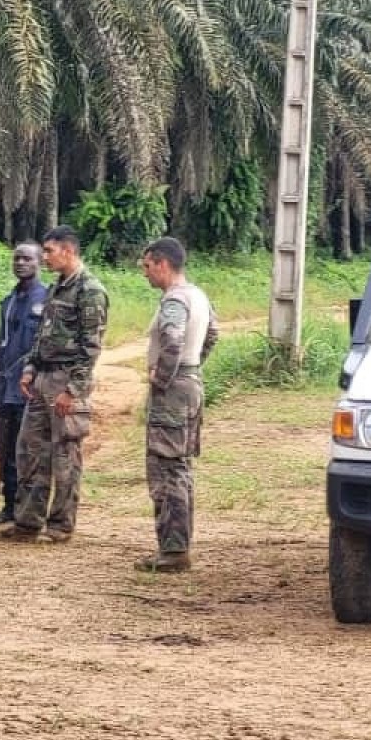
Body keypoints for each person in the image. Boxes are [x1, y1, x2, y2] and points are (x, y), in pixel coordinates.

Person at [0, 226, 108, 543]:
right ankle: (28, 521)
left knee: (65, 455)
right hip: (43, 378)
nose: (44, 257)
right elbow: (42, 335)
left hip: (66, 379)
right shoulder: (56, 288)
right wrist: (30, 368)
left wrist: (72, 390)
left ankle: (60, 525)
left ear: (69, 251)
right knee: (30, 449)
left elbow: (91, 347)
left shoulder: (90, 291)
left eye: (49, 251)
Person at [136, 236, 219, 572]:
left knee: (166, 468)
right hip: (190, 383)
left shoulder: (174, 301)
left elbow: (172, 339)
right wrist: (193, 367)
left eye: (147, 266)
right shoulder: (198, 295)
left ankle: (173, 550)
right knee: (180, 467)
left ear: (162, 264)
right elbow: (213, 333)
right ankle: (176, 546)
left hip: (173, 391)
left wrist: (162, 377)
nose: (145, 274)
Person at [0, 243, 48, 523]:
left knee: (28, 449)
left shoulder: (47, 299)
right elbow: (1, 344)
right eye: (17, 258)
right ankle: (9, 504)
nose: (21, 263)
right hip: (6, 386)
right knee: (5, 445)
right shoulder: (9, 301)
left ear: (39, 263)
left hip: (30, 387)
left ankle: (28, 507)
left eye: (27, 258)